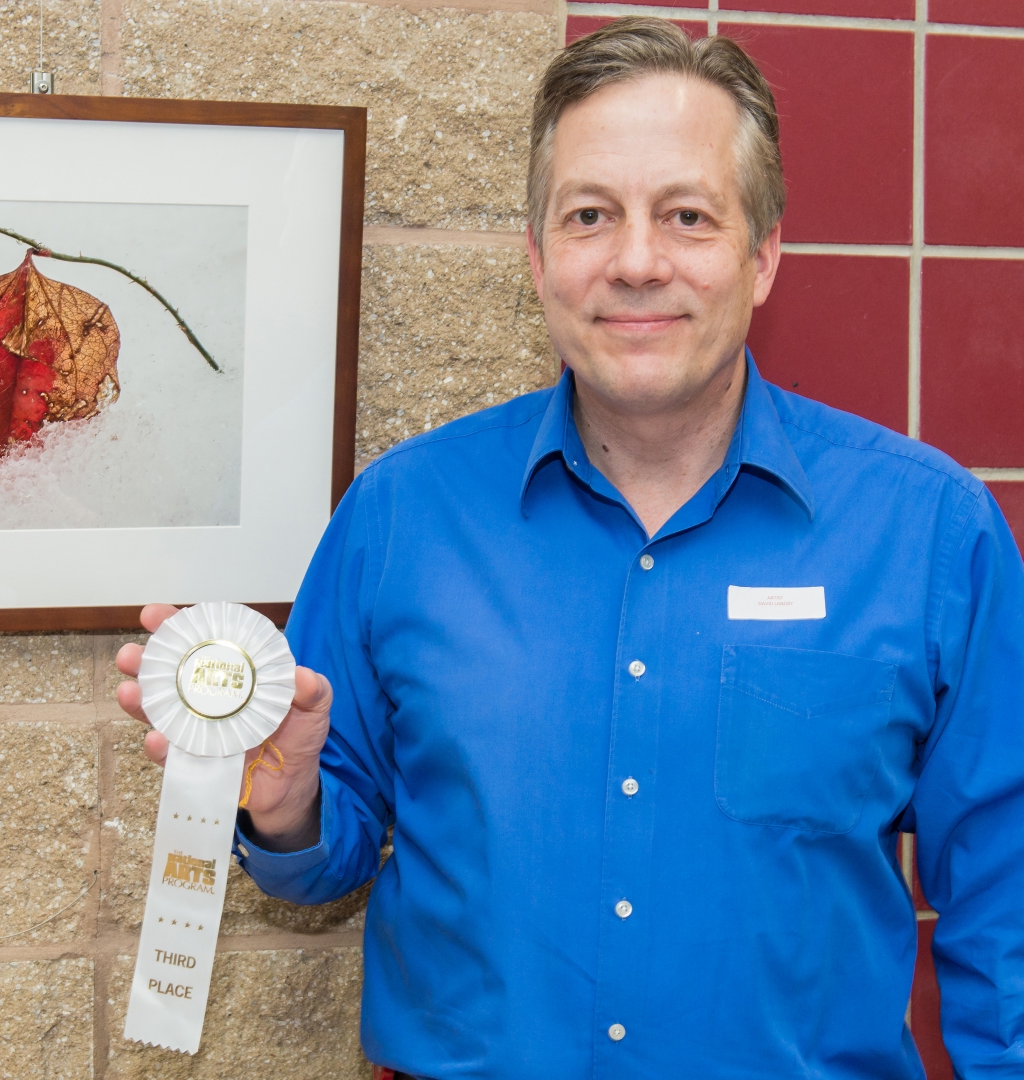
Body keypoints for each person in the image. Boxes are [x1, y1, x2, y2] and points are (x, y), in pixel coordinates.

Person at [116, 17, 1024, 1078]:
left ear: (762, 254)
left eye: (686, 216)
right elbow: (326, 856)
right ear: (539, 258)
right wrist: (286, 808)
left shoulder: (929, 533)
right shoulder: (401, 516)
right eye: (591, 216)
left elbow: (1005, 891)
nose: (636, 263)